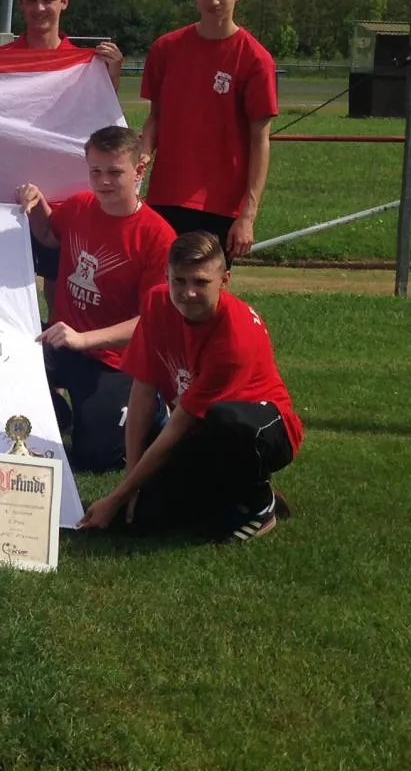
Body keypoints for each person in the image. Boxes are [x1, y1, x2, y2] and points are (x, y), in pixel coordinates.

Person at [84, 231, 300, 541]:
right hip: (201, 426)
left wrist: (117, 496)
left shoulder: (234, 336)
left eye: (201, 282)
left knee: (226, 420)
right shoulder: (157, 303)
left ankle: (260, 503)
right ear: (166, 277)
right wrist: (131, 485)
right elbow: (142, 391)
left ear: (225, 280)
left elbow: (180, 424)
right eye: (179, 281)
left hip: (264, 429)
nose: (188, 293)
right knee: (144, 518)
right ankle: (228, 492)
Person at [16, 126, 177, 472]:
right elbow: (49, 235)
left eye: (115, 172)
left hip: (113, 359)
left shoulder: (158, 237)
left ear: (139, 170)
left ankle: (151, 407)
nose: (103, 181)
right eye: (95, 171)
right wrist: (36, 203)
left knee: (97, 458)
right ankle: (58, 413)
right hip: (60, 342)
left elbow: (151, 322)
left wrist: (84, 339)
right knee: (0, 372)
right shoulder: (80, 206)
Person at [139, 0, 278, 258]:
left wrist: (248, 214)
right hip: (165, 197)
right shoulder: (165, 49)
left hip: (221, 205)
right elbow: (155, 118)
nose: (213, 1)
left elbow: (260, 141)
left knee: (204, 287)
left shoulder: (255, 59)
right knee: (160, 282)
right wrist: (142, 155)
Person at [0, 0, 122, 76]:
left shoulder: (84, 66)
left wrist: (112, 78)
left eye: (48, 0)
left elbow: (98, 97)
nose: (39, 8)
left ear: (64, 2)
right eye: (31, 0)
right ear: (21, 4)